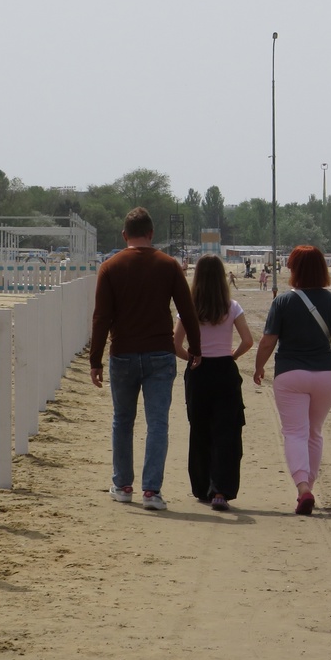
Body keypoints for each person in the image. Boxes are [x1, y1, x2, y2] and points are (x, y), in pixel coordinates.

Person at [90, 206, 201, 511]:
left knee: (123, 421)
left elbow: (101, 317)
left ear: (124, 235)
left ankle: (123, 485)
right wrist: (196, 349)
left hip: (123, 353)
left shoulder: (110, 268)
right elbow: (187, 310)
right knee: (157, 424)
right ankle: (151, 491)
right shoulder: (168, 265)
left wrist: (95, 360)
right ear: (151, 234)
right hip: (160, 354)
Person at [253, 245, 331, 515]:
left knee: (294, 432)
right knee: (314, 433)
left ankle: (303, 489)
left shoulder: (283, 302)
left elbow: (268, 341)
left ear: (296, 269)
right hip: (326, 374)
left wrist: (258, 367)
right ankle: (307, 491)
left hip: (291, 374)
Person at [174, 254, 253, 511]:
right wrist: (234, 355)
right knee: (226, 431)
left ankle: (201, 487)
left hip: (199, 372)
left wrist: (192, 357)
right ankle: (221, 489)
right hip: (225, 371)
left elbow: (174, 344)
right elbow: (247, 340)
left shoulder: (189, 307)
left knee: (200, 430)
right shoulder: (231, 306)